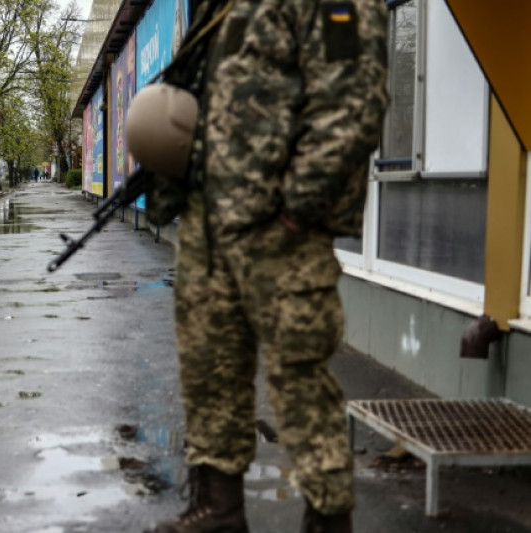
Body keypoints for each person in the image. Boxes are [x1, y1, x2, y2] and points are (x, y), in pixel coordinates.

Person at [147, 0, 389, 532]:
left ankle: (327, 516)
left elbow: (353, 102)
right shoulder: (216, 8)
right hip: (207, 227)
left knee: (299, 379)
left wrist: (297, 213)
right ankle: (219, 508)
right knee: (209, 374)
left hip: (281, 233)